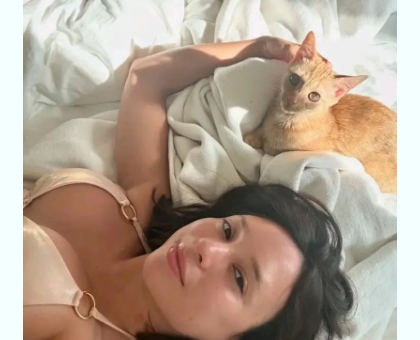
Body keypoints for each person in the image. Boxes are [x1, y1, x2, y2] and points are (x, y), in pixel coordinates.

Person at [23, 36, 355, 340]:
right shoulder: (143, 207)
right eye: (227, 231)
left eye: (239, 278)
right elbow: (146, 79)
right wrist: (260, 47)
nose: (207, 248)